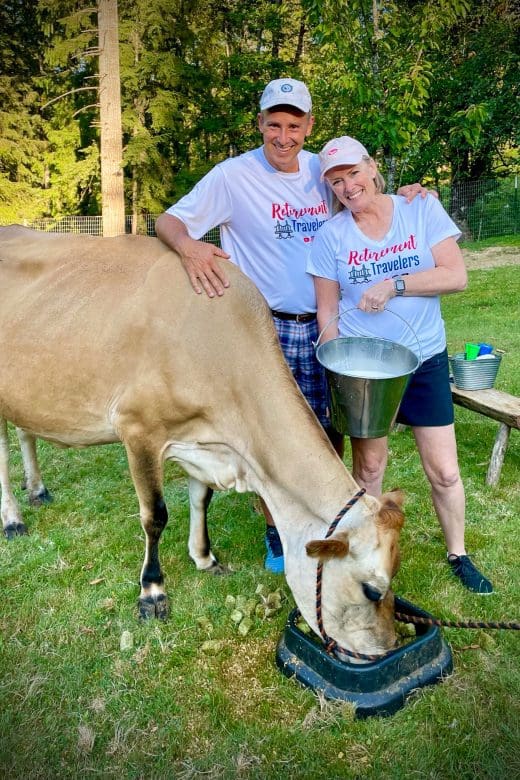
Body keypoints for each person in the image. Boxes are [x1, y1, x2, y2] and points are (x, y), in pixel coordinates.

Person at [155, 79, 427, 575]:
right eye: (274, 124)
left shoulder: (321, 170)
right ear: (259, 123)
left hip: (332, 322)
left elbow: (364, 195)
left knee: (332, 426)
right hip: (267, 327)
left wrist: (407, 197)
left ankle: (328, 515)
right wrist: (189, 246)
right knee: (275, 434)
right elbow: (170, 221)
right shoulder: (232, 176)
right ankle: (276, 532)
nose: (284, 136)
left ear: (309, 126)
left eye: (294, 125)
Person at [306, 135, 493, 594]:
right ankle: (360, 551)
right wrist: (337, 367)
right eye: (336, 180)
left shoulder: (419, 209)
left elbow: (456, 275)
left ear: (371, 167)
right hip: (367, 370)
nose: (348, 186)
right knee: (369, 471)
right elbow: (327, 314)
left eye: (353, 173)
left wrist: (396, 284)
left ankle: (459, 553)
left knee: (445, 471)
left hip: (424, 358)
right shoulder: (331, 237)